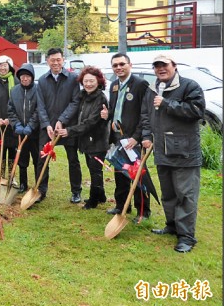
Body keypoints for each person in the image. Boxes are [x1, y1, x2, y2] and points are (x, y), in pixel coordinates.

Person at [140, 54, 205, 253]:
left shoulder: (189, 86)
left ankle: (186, 237)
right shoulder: (152, 89)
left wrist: (167, 104)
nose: (161, 69)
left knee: (185, 194)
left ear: (174, 66)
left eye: (164, 65)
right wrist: (146, 135)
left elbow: (196, 111)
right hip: (162, 149)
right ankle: (172, 225)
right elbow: (145, 114)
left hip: (184, 151)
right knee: (168, 193)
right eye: (157, 66)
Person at [100, 53, 152, 222]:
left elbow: (146, 113)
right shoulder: (114, 85)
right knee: (120, 172)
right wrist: (107, 115)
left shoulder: (140, 84)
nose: (118, 68)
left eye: (122, 64)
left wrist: (137, 137)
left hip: (133, 139)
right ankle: (121, 205)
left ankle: (143, 211)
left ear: (130, 64)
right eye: (115, 65)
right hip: (117, 137)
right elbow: (114, 108)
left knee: (137, 175)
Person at [58, 66, 109, 210]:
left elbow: (90, 122)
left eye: (91, 81)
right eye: (85, 81)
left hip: (97, 141)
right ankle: (101, 195)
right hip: (87, 141)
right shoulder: (83, 96)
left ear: (98, 81)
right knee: (93, 169)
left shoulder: (100, 98)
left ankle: (93, 200)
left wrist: (69, 131)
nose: (88, 84)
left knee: (95, 171)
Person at [35, 48, 82, 203]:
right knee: (42, 158)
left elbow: (75, 102)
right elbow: (40, 105)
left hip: (66, 126)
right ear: (47, 61)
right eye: (52, 60)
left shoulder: (73, 78)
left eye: (58, 59)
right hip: (47, 127)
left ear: (63, 60)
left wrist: (62, 120)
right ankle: (41, 190)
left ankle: (76, 191)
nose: (55, 63)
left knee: (73, 159)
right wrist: (47, 124)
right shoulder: (42, 80)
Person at [7, 63, 39, 194]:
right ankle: (23, 184)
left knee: (37, 159)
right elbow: (10, 110)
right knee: (22, 159)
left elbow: (39, 110)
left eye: (27, 76)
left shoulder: (38, 90)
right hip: (20, 133)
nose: (24, 79)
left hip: (35, 133)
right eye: (22, 76)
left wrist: (31, 125)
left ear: (31, 77)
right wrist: (16, 125)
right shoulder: (14, 91)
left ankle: (39, 184)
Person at [0, 55, 18, 187]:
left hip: (13, 123)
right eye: (0, 66)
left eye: (5, 66)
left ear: (9, 67)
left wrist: (10, 119)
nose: (2, 68)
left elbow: (18, 103)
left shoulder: (16, 82)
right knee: (2, 149)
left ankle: (12, 176)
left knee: (12, 149)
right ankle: (0, 175)